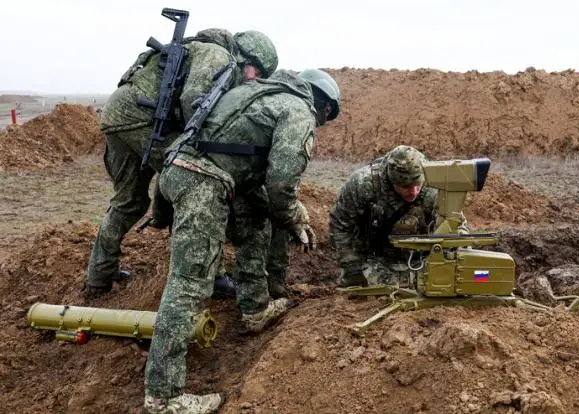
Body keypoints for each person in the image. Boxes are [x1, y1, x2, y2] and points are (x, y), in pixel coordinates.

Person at [142, 68, 340, 413]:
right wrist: (296, 219)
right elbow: (280, 184)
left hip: (182, 171)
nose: (322, 121)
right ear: (321, 103)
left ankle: (254, 308)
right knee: (188, 285)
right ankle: (164, 398)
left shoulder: (253, 93)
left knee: (255, 220)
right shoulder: (297, 111)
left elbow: (248, 170)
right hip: (202, 183)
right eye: (326, 115)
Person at [84, 29, 278, 298]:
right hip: (143, 120)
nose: (253, 79)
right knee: (197, 183)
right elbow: (192, 100)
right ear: (246, 57)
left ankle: (99, 276)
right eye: (256, 71)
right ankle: (213, 275)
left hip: (119, 117)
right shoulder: (218, 55)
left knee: (129, 201)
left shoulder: (201, 49)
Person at [328, 145, 458, 287]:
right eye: (405, 187)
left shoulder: (434, 185)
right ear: (391, 181)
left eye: (417, 184)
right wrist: (352, 268)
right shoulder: (363, 184)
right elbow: (340, 226)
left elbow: (455, 225)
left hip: (422, 261)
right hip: (371, 259)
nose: (413, 192)